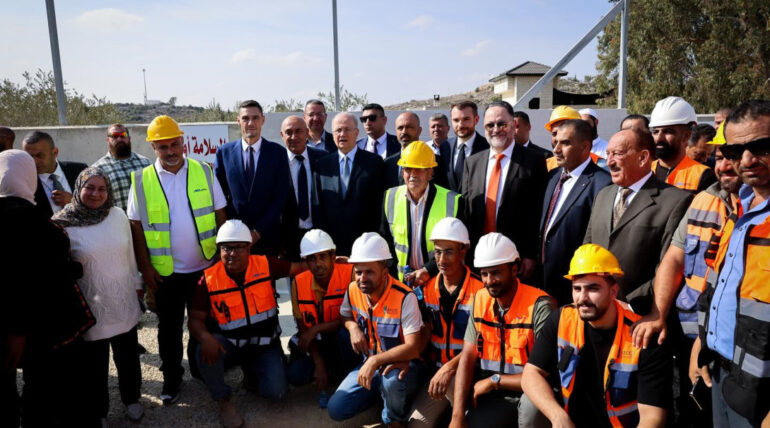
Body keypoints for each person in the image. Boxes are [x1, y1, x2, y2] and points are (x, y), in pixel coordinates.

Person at [631, 121, 742, 428]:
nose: (724, 165)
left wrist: (704, 339)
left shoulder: (756, 211)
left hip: (727, 348)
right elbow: (674, 259)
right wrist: (659, 313)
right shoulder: (704, 200)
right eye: (719, 157)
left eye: (732, 156)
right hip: (686, 336)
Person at [128, 115, 227, 404]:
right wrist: (145, 269)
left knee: (204, 325)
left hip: (204, 268)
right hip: (165, 273)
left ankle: (202, 371)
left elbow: (221, 213)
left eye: (174, 144)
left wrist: (221, 258)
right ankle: (172, 379)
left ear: (183, 142)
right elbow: (135, 225)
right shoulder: (142, 179)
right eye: (162, 147)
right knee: (168, 330)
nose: (170, 151)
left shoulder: (204, 171)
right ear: (153, 148)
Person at [522, 244, 672, 428]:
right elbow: (531, 373)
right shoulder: (562, 319)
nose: (582, 298)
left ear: (613, 291)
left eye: (593, 289)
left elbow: (653, 417)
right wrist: (558, 417)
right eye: (577, 289)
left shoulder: (643, 335)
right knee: (532, 406)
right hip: (573, 423)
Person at [0, 149, 96, 427]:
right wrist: (74, 269)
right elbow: (36, 279)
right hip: (37, 328)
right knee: (39, 390)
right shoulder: (36, 225)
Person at [691, 99, 770, 427]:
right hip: (725, 373)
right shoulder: (741, 208)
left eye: (761, 147)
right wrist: (702, 342)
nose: (748, 160)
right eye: (737, 152)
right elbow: (722, 284)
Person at [188, 220, 306, 428]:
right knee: (203, 350)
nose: (232, 253)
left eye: (239, 247)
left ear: (249, 248)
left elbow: (299, 269)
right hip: (231, 346)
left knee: (278, 393)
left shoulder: (265, 264)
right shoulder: (208, 279)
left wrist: (332, 264)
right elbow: (195, 319)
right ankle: (224, 401)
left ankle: (252, 374)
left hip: (265, 346)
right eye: (227, 248)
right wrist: (205, 337)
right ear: (220, 249)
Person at [52, 168, 145, 422]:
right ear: (78, 188)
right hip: (91, 307)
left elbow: (130, 254)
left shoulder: (117, 215)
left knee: (127, 355)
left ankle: (132, 398)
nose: (95, 194)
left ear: (109, 192)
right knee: (94, 365)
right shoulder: (61, 224)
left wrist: (138, 285)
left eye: (102, 189)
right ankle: (97, 410)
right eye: (89, 187)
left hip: (123, 299)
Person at [450, 233, 554, 428]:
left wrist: (494, 380)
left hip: (530, 391)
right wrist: (457, 417)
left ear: (514, 270)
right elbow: (467, 357)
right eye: (484, 274)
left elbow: (546, 373)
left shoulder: (540, 305)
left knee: (532, 409)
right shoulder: (480, 299)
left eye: (496, 272)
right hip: (495, 395)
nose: (490, 281)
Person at [583, 128, 692, 315]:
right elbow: (588, 247)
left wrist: (630, 304)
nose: (609, 162)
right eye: (608, 154)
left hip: (641, 316)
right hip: (598, 312)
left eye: (617, 154)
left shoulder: (675, 201)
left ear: (643, 158)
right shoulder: (603, 195)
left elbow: (669, 266)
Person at [327, 232, 427, 426]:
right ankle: (381, 395)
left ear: (384, 271)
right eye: (358, 272)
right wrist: (353, 327)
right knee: (336, 409)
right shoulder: (353, 290)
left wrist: (375, 360)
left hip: (404, 366)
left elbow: (413, 347)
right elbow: (345, 315)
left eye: (369, 272)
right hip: (373, 364)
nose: (362, 278)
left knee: (391, 382)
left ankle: (393, 418)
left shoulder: (404, 297)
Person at [407, 218, 484, 427]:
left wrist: (449, 368)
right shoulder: (427, 288)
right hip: (439, 373)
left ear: (463, 252)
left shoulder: (481, 291)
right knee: (416, 425)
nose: (441, 259)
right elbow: (423, 333)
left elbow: (482, 344)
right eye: (437, 252)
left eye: (449, 252)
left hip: (471, 373)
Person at [461, 101, 547, 280]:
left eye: (502, 124)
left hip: (516, 260)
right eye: (490, 125)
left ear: (514, 125)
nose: (496, 129)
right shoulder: (472, 163)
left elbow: (539, 212)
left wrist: (531, 255)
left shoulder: (535, 161)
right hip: (479, 260)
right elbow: (467, 210)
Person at [539, 119, 612, 305]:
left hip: (575, 285)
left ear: (585, 146)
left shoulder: (602, 184)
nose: (556, 149)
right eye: (556, 143)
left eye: (565, 143)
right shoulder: (553, 177)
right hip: (544, 280)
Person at [287, 229, 357, 407]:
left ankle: (349, 380)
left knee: (346, 335)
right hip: (319, 344)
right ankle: (327, 371)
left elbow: (354, 319)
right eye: (312, 259)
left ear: (333, 256)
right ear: (306, 262)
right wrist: (318, 363)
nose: (318, 264)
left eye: (322, 257)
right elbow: (304, 330)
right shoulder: (298, 283)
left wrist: (317, 328)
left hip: (344, 340)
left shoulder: (350, 274)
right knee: (295, 375)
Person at [381, 141, 462, 286]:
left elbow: (456, 248)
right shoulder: (390, 197)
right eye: (407, 169)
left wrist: (428, 270)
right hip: (401, 283)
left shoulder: (453, 201)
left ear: (430, 172)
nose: (412, 174)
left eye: (418, 169)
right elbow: (385, 241)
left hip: (439, 282)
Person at [215, 100, 290, 256]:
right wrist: (233, 231)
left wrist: (257, 232)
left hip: (267, 238)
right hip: (234, 240)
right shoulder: (224, 153)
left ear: (263, 120)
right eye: (245, 118)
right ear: (238, 121)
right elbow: (219, 196)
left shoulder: (278, 153)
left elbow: (280, 197)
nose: (250, 123)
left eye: (255, 118)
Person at [313, 112, 385, 256]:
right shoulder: (322, 166)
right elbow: (318, 207)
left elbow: (379, 206)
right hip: (333, 246)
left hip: (366, 245)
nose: (342, 134)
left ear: (356, 132)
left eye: (346, 129)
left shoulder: (374, 163)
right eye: (338, 130)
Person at [279, 115, 327, 260]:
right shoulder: (276, 162)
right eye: (288, 132)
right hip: (288, 240)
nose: (294, 136)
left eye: (299, 131)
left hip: (320, 236)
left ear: (307, 133)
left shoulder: (323, 159)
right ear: (282, 135)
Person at [649, 96, 717, 193]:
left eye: (668, 132)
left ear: (686, 136)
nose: (659, 138)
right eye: (655, 132)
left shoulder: (703, 176)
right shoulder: (645, 171)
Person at [22, 130, 87, 217]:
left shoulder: (80, 170)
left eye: (39, 155)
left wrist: (74, 202)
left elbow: (99, 206)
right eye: (29, 156)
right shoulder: (24, 183)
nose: (34, 162)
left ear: (55, 152)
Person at [91, 123, 152, 211]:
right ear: (108, 140)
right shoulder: (98, 169)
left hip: (146, 222)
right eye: (114, 136)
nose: (119, 139)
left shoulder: (146, 163)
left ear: (129, 138)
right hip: (117, 223)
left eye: (123, 135)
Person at [384, 113, 450, 189]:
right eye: (400, 128)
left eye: (409, 127)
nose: (404, 132)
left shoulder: (437, 162)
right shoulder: (388, 163)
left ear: (419, 130)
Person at [440, 100, 489, 192]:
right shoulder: (445, 147)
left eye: (466, 119)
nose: (460, 125)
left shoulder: (488, 148)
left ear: (476, 120)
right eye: (456, 120)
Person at [543, 106, 585, 172]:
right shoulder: (545, 166)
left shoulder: (597, 163)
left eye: (564, 133)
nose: (558, 138)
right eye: (554, 133)